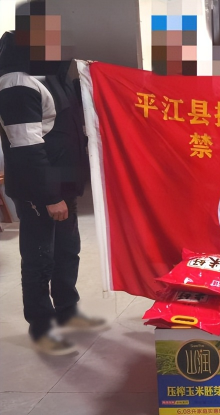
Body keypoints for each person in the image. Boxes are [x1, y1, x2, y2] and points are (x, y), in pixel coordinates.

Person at [0, 10, 105, 356]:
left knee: (67, 251)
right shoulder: (17, 82)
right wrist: (48, 197)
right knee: (39, 258)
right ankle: (41, 327)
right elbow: (26, 149)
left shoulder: (51, 74)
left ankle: (67, 311)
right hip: (38, 190)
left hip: (62, 183)